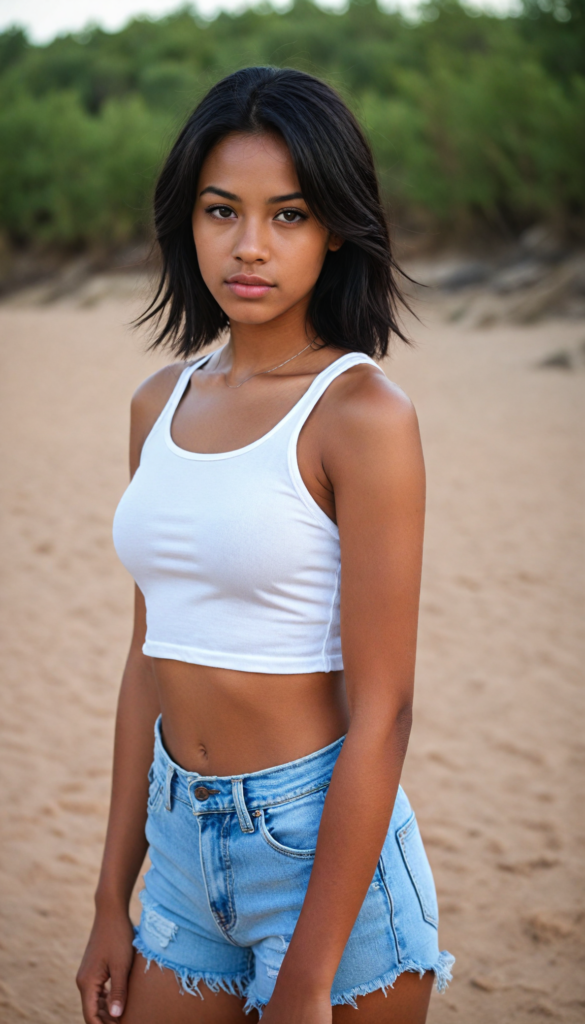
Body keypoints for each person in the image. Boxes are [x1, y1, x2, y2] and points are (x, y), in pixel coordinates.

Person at [76, 66, 454, 1024]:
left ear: (334, 228)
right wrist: (106, 901)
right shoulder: (157, 403)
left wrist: (308, 978)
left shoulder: (360, 413)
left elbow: (385, 710)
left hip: (321, 858)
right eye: (221, 211)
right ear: (186, 222)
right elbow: (144, 662)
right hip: (179, 847)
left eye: (287, 215)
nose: (249, 247)